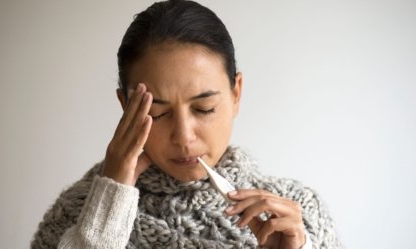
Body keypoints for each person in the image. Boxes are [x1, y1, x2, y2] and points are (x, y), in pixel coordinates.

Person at [31, 0, 342, 248]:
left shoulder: (299, 217)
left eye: (204, 108)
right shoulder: (77, 212)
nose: (183, 136)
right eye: (159, 113)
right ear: (126, 108)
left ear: (236, 94)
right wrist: (105, 213)